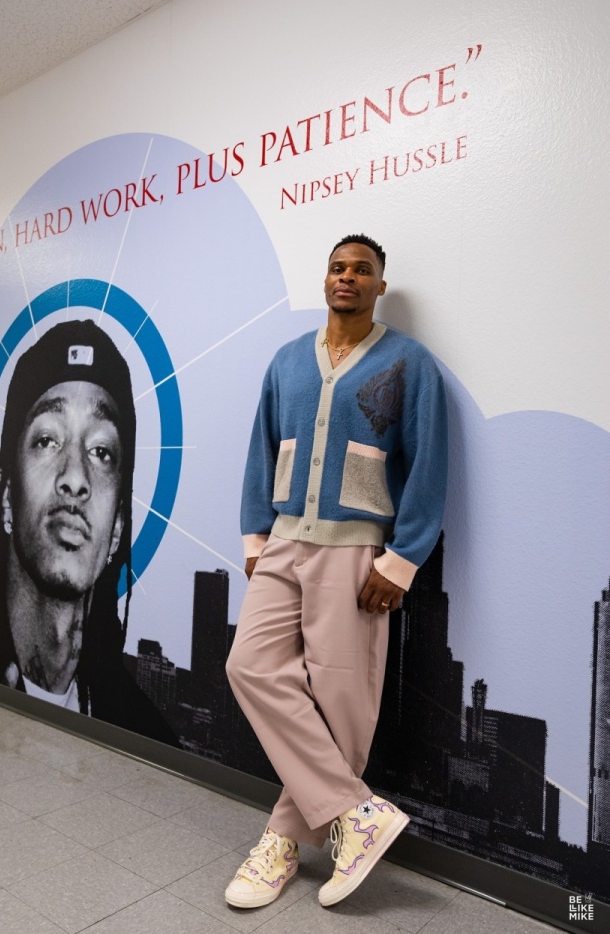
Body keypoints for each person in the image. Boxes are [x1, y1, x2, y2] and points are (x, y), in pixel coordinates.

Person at [225, 234, 448, 908]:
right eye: (337, 267)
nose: (347, 277)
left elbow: (429, 464)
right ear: (325, 279)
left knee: (342, 700)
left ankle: (282, 842)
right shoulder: (288, 360)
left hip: (356, 552)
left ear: (380, 285)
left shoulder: (410, 363)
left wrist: (401, 561)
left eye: (362, 270)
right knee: (248, 666)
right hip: (284, 541)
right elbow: (262, 449)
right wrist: (255, 537)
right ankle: (357, 812)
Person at [0, 319, 177, 745]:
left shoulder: (142, 735)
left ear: (118, 527)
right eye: (48, 440)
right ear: (6, 497)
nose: (75, 478)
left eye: (101, 451)